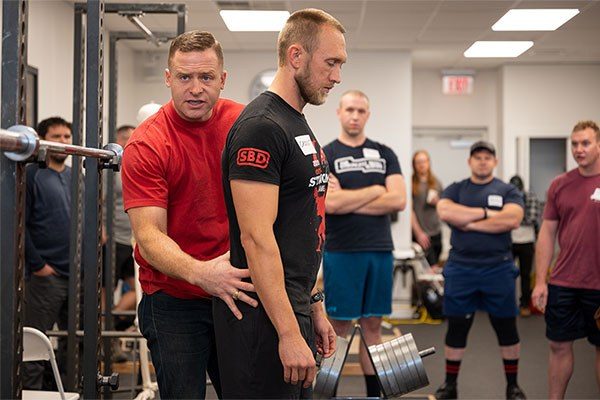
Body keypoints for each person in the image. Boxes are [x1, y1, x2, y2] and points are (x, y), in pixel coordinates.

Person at [215, 9, 346, 398]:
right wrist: (288, 334)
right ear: (296, 56)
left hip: (293, 307)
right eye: (331, 63)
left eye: (341, 64)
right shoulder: (262, 127)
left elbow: (299, 228)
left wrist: (314, 306)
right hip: (264, 321)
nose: (337, 76)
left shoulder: (295, 121)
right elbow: (256, 239)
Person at [121, 30, 257, 399]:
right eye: (184, 77)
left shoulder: (245, 125)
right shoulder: (148, 143)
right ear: (168, 78)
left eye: (206, 77)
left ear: (222, 80)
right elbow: (148, 237)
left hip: (237, 288)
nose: (195, 88)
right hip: (173, 297)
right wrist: (203, 273)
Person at [322, 90, 406, 397]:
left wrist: (349, 199)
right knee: (338, 330)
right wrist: (375, 190)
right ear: (339, 113)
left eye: (361, 111)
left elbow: (398, 199)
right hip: (342, 252)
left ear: (367, 115)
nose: (355, 116)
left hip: (380, 251)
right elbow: (330, 204)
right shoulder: (326, 153)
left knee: (373, 327)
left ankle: (374, 394)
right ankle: (326, 393)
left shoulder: (385, 153)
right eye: (350, 110)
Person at [434, 141, 526, 400]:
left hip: (498, 268)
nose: (482, 161)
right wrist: (489, 214)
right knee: (456, 328)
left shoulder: (508, 190)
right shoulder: (456, 188)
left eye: (487, 157)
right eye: (477, 157)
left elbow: (513, 219)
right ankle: (450, 386)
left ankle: (513, 386)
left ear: (494, 161)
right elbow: (445, 211)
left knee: (506, 328)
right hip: (461, 269)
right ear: (470, 161)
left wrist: (467, 222)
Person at [531, 120, 600, 399]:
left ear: (598, 145)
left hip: (598, 284)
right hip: (564, 281)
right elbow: (547, 233)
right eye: (574, 144)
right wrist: (540, 282)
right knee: (558, 346)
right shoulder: (560, 184)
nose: (578, 149)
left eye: (585, 143)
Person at [22, 117, 73, 389]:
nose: (63, 142)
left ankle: (66, 393)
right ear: (43, 140)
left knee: (74, 346)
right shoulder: (31, 175)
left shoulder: (77, 175)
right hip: (46, 276)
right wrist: (38, 264)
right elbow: (19, 225)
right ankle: (30, 395)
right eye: (57, 136)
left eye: (67, 136)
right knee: (35, 347)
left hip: (77, 274)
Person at [508, 175, 540, 317]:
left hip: (527, 241)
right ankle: (507, 303)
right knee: (506, 274)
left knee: (525, 274)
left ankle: (525, 304)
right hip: (509, 241)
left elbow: (531, 218)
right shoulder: (506, 196)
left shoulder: (530, 196)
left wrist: (512, 217)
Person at [411, 150, 444, 269]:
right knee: (431, 268)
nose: (421, 164)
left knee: (434, 268)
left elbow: (444, 206)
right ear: (414, 165)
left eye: (424, 161)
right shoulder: (411, 184)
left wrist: (438, 202)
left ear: (429, 162)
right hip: (421, 234)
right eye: (418, 162)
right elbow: (409, 211)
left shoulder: (436, 183)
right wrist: (418, 232)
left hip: (436, 231)